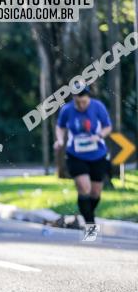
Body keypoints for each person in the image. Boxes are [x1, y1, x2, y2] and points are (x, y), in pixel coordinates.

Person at [54, 85, 112, 241]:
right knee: (84, 188)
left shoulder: (98, 106)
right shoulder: (67, 110)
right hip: (76, 155)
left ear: (89, 98)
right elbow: (60, 126)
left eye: (84, 102)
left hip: (97, 154)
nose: (81, 106)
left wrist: (99, 135)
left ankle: (86, 214)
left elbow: (108, 126)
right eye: (78, 103)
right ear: (74, 99)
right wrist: (59, 140)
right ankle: (90, 225)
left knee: (95, 193)